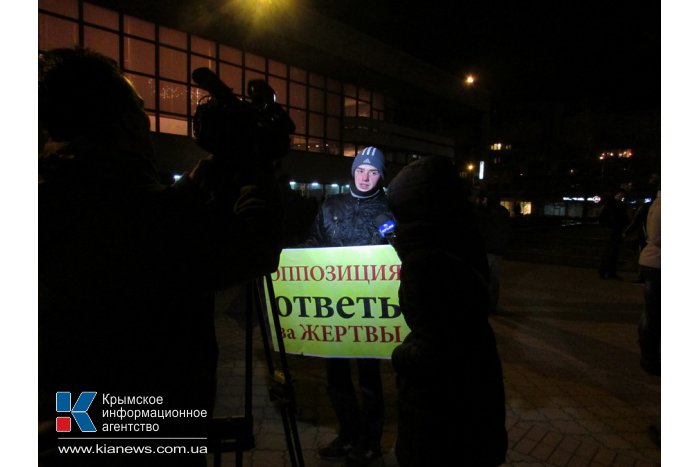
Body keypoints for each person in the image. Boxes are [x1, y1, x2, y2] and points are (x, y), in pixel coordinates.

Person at [38, 47, 285, 466]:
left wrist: (202, 179)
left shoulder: (56, 192)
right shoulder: (136, 215)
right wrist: (259, 170)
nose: (146, 119)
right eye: (137, 106)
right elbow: (252, 246)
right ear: (116, 120)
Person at [386, 156, 508, 467]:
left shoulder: (424, 263)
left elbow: (434, 351)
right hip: (477, 396)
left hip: (441, 415)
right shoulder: (462, 239)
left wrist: (399, 356)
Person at [300, 146, 393, 466]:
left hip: (369, 312)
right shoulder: (330, 206)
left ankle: (371, 442)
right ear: (353, 172)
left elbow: (399, 255)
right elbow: (314, 245)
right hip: (333, 308)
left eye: (374, 172)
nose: (366, 177)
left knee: (369, 382)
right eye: (361, 170)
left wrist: (395, 235)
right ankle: (347, 434)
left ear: (381, 176)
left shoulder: (387, 209)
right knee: (336, 379)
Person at [475, 190, 511, 313]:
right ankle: (492, 305)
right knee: (494, 280)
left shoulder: (487, 213)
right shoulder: (503, 212)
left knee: (485, 278)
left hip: (488, 249)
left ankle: (485, 304)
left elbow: (482, 230)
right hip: (498, 250)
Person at [638, 187, 660, 377]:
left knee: (654, 313)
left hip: (656, 263)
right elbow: (657, 237)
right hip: (656, 264)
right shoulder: (661, 206)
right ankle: (650, 358)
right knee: (654, 314)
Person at [598, 190, 629, 279]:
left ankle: (605, 271)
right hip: (614, 231)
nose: (621, 197)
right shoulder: (615, 205)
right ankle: (608, 272)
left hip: (613, 231)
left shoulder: (610, 205)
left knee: (610, 252)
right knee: (611, 252)